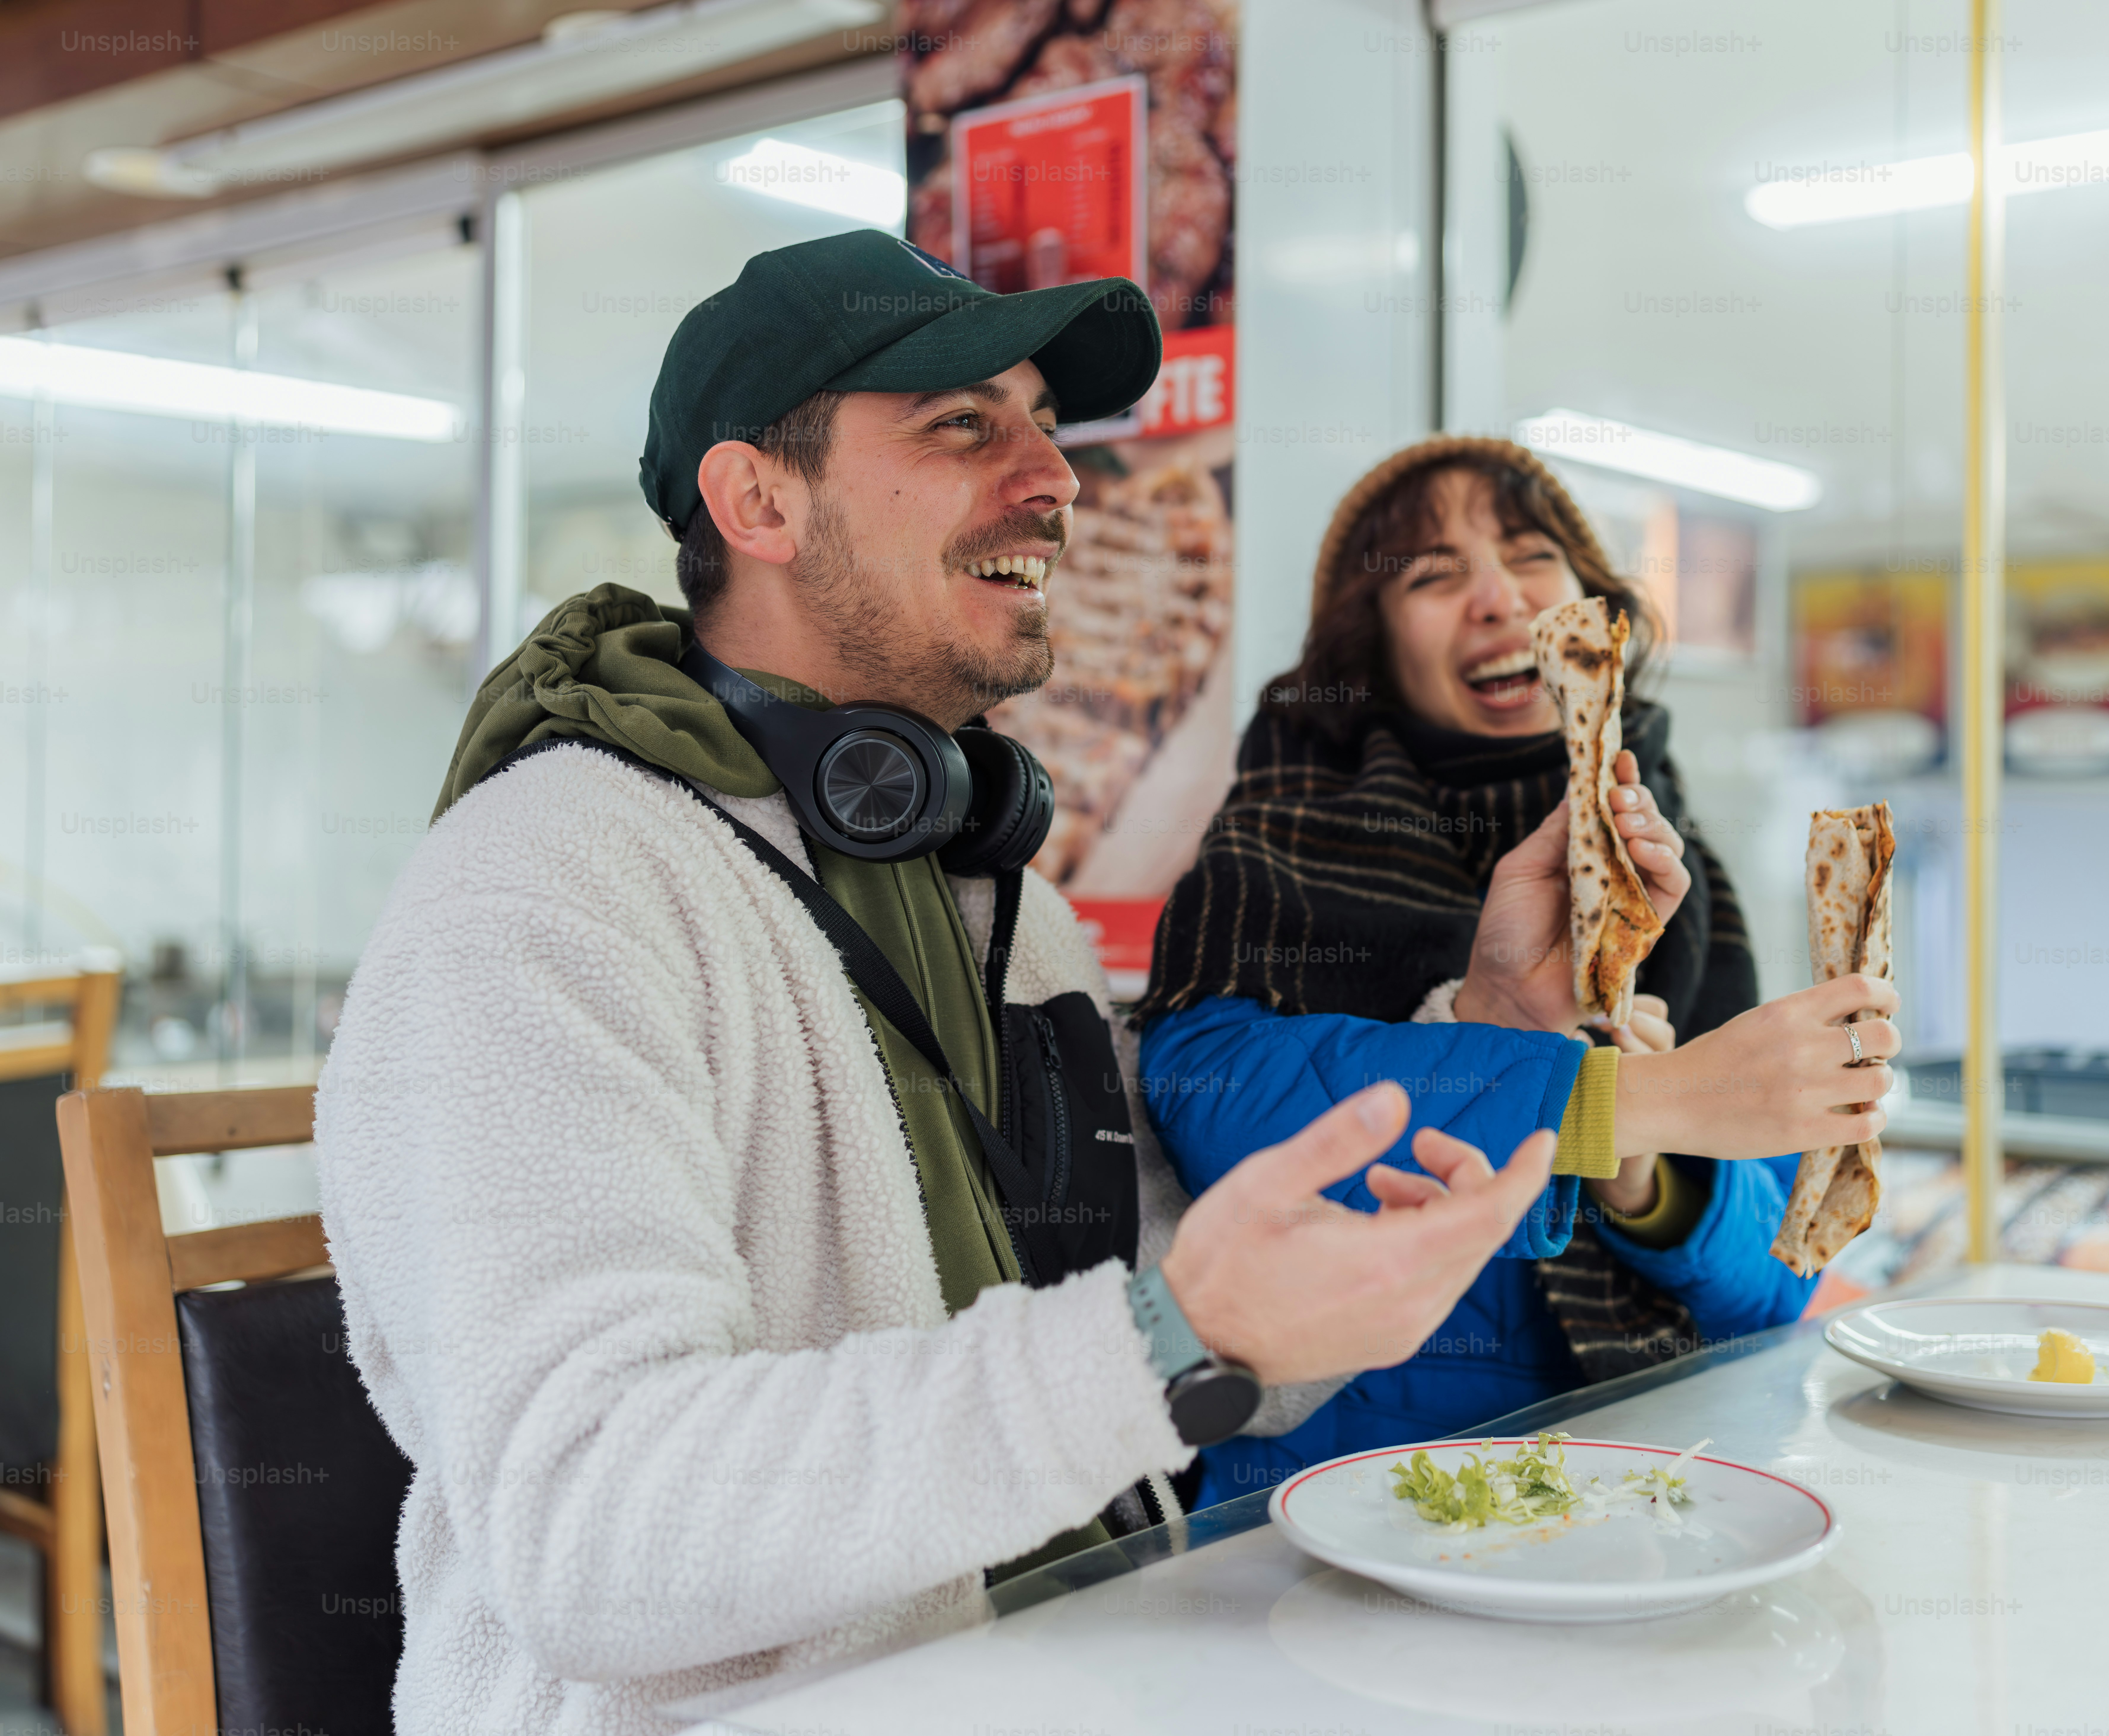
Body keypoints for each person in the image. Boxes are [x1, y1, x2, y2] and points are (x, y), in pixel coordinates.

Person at [315, 233, 1565, 1734]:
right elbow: (588, 1522)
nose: (1055, 477)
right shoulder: (543, 887)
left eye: (1043, 423)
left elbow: (1152, 1328)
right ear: (757, 501)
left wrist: (1486, 1040)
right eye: (964, 423)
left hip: (1072, 1674)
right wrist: (1170, 1339)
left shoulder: (999, 901)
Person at [1135, 436, 1899, 1503]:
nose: (1497, 598)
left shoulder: (1677, 876)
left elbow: (1777, 1281)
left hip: (1631, 1494)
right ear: (1373, 645)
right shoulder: (1274, 841)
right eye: (1434, 577)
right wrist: (1612, 1097)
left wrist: (1642, 1172)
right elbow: (1212, 1113)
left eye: (1532, 555)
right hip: (1335, 1511)